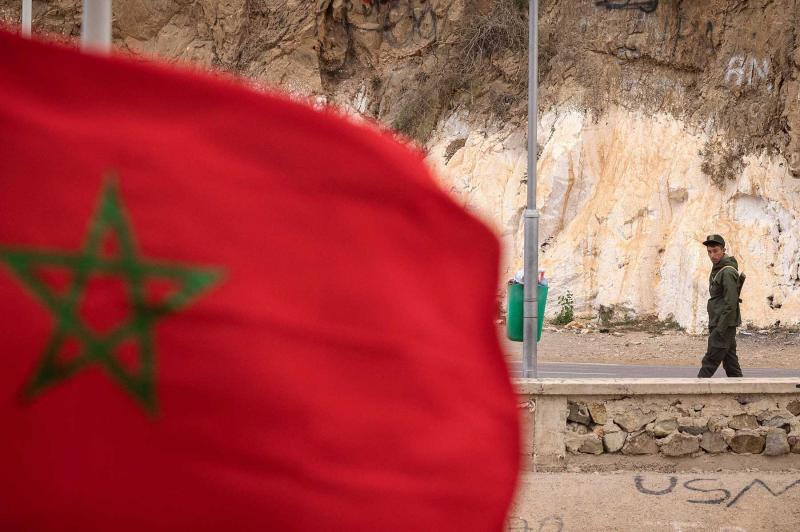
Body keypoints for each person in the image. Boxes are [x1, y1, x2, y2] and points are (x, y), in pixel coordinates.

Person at [698, 234, 743, 378]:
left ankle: (697, 389)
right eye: (709, 252)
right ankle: (741, 391)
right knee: (730, 363)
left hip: (723, 324)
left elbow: (731, 303)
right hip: (719, 321)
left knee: (710, 361)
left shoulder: (727, 272)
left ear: (723, 250)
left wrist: (720, 329)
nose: (712, 255)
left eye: (716, 251)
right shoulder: (718, 269)